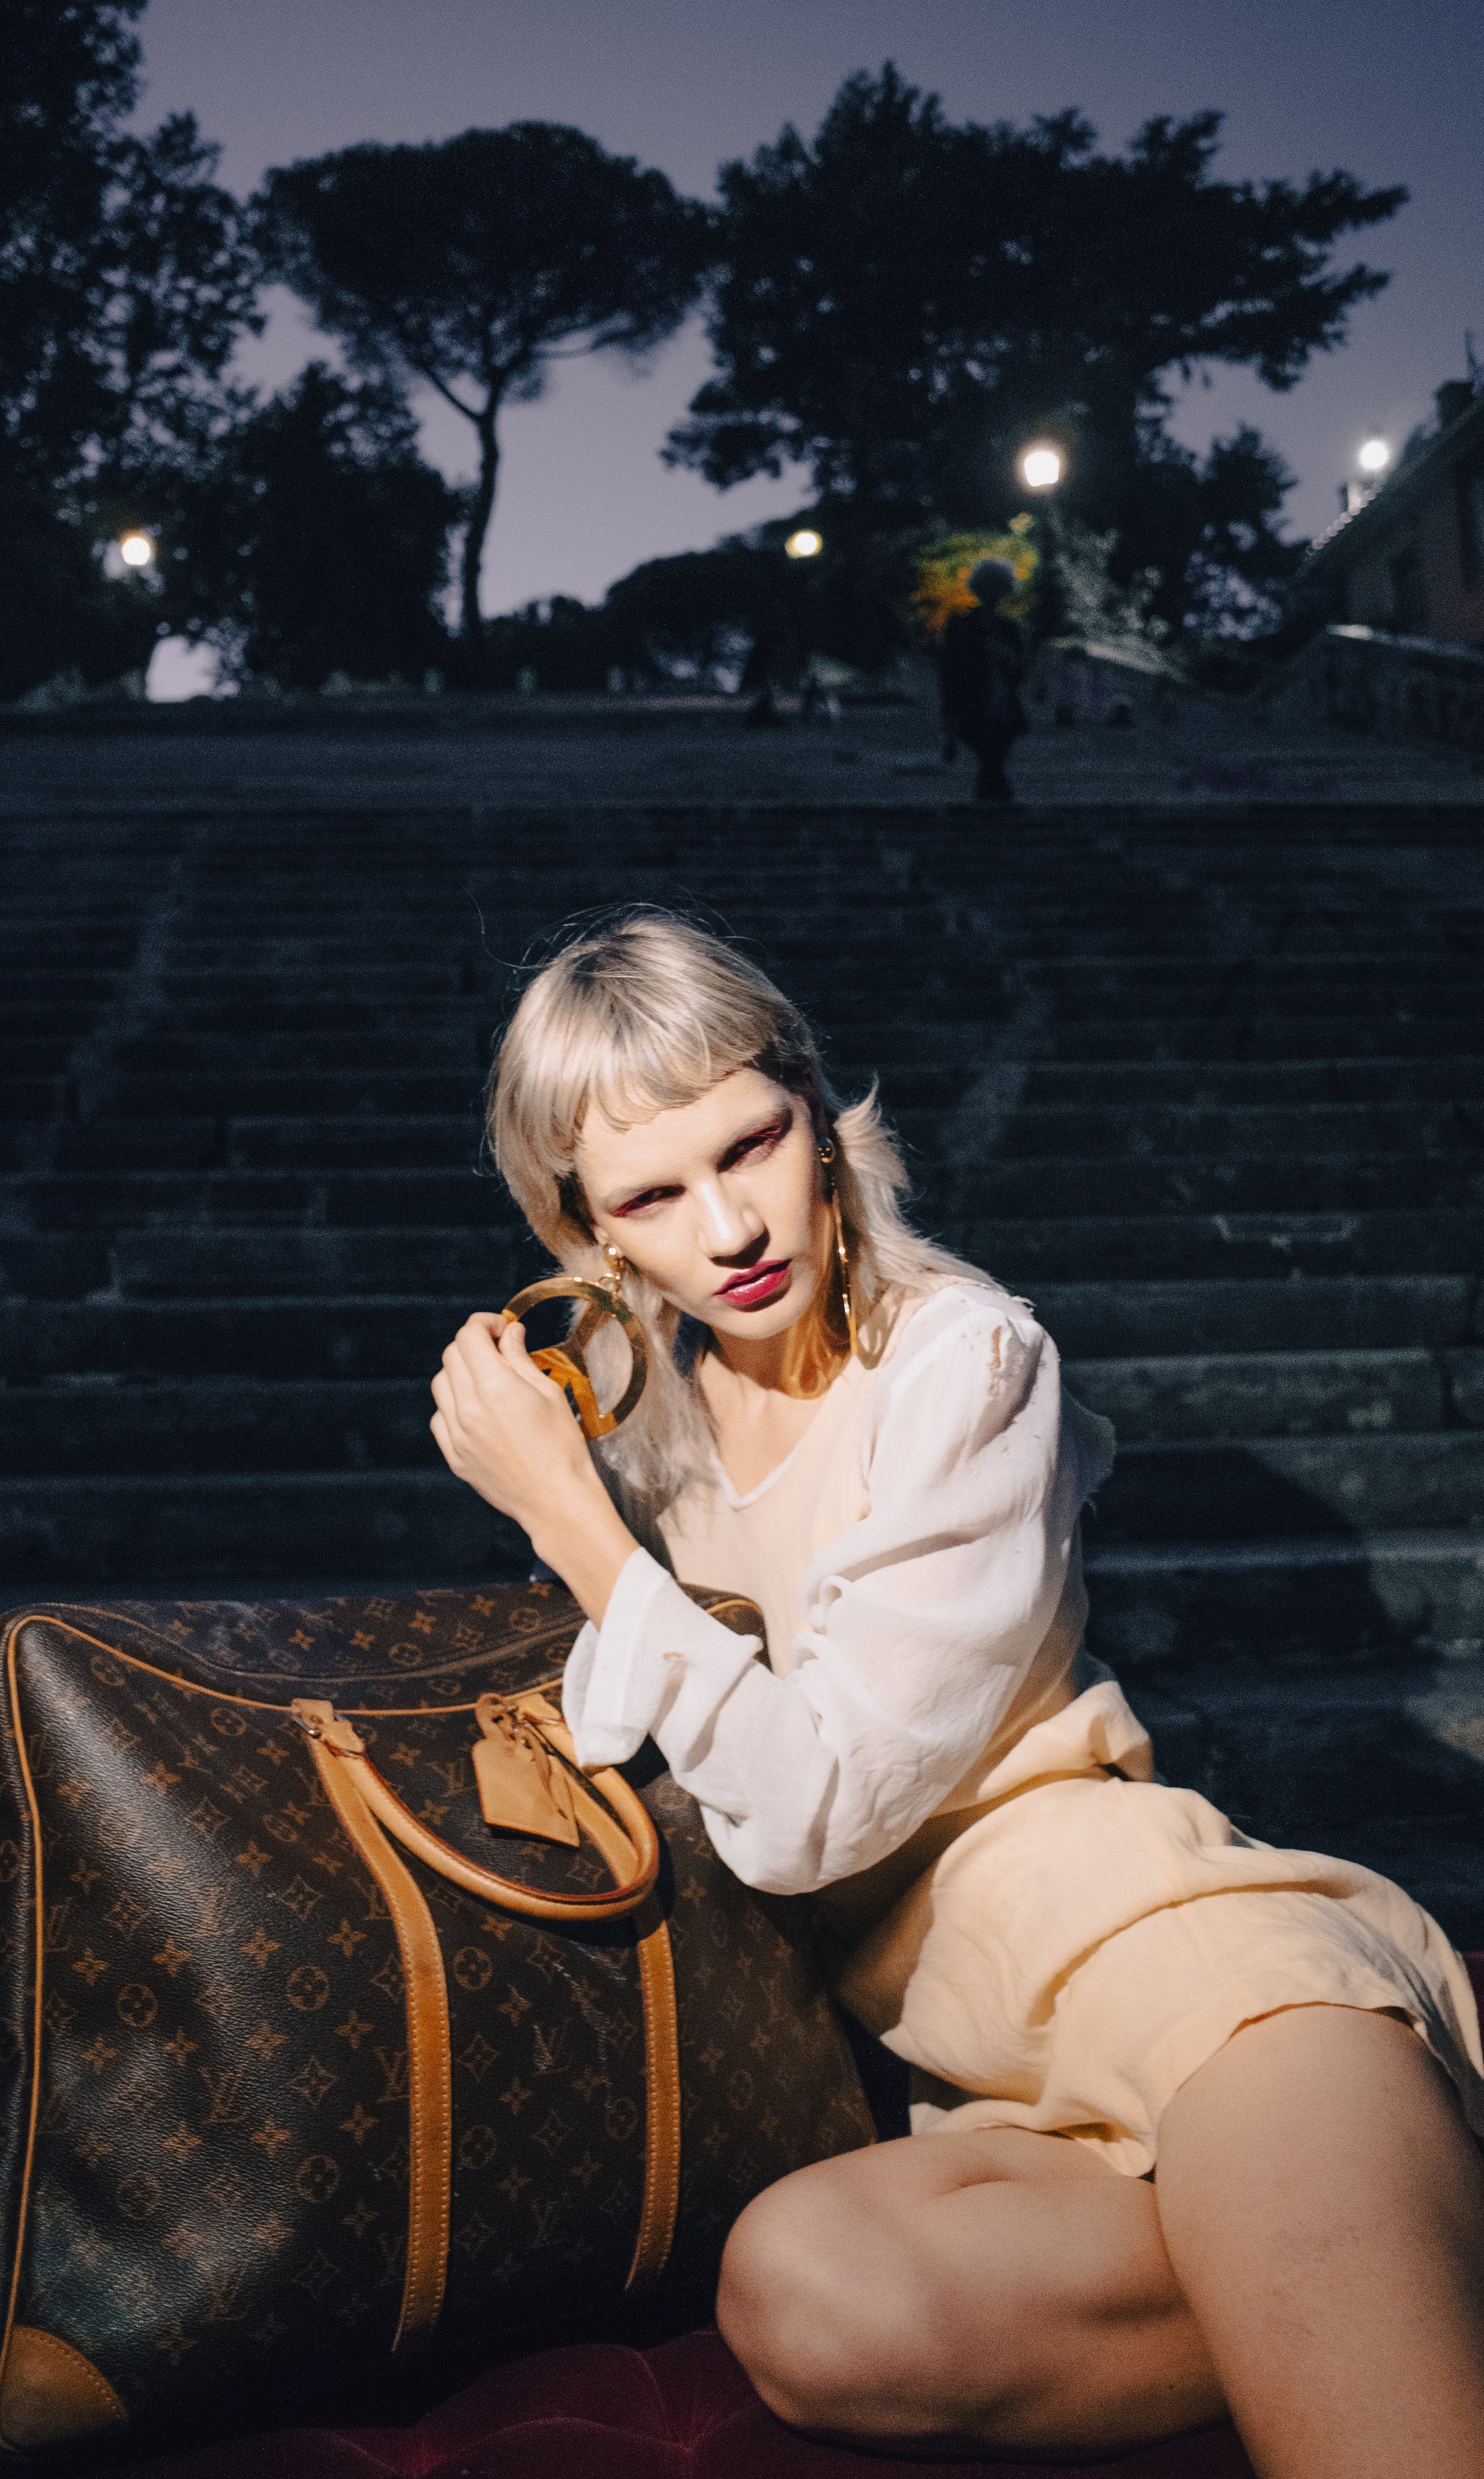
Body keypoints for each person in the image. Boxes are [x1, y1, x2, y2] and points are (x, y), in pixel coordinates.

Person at [429, 913, 1484, 2476]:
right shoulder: (651, 1410)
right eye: (654, 1195)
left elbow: (812, 1810)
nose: (730, 1227)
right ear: (573, 1222)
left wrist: (569, 1530)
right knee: (812, 2296)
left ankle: (1371, 2197)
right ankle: (1415, 2225)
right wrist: (584, 1474)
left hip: (1174, 1965)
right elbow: (612, 1733)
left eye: (756, 1142)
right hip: (963, 2049)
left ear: (814, 1109)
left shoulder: (964, 1363)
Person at [940, 557, 1028, 803]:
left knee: (992, 762)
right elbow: (951, 671)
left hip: (1002, 705)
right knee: (991, 762)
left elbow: (1019, 673)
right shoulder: (962, 625)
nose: (994, 594)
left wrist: (1008, 658)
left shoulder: (1009, 628)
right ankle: (998, 810)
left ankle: (992, 811)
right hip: (973, 703)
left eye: (998, 587)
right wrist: (951, 713)